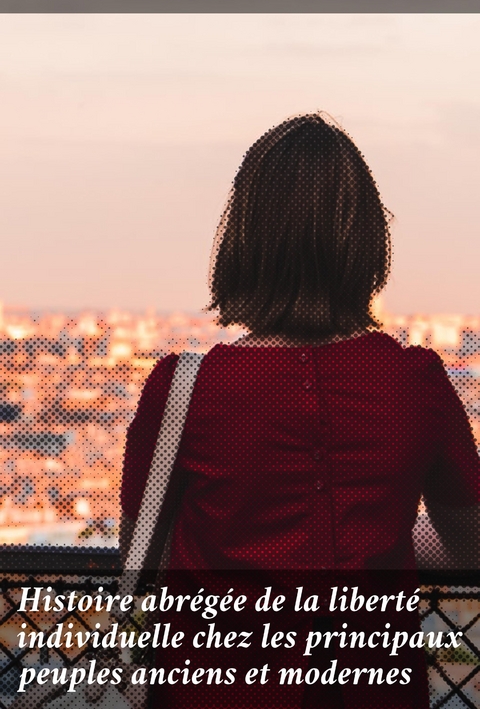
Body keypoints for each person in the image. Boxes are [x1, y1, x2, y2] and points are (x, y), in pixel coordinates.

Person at [120, 113, 480, 708]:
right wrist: (375, 538)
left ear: (243, 238)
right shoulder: (414, 385)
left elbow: (143, 561)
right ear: (366, 241)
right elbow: (470, 546)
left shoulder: (183, 390)